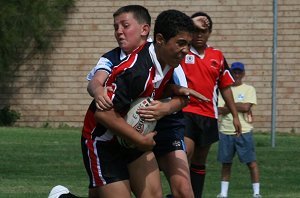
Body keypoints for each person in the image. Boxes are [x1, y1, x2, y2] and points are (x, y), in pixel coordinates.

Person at [82, 8, 197, 198]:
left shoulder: (167, 59)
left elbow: (150, 89)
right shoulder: (135, 70)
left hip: (133, 139)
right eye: (181, 44)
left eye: (188, 44)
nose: (186, 50)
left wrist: (174, 90)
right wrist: (140, 140)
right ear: (160, 40)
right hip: (103, 142)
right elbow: (102, 114)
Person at [178, 11, 242, 198]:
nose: (199, 35)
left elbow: (226, 88)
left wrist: (235, 116)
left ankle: (195, 194)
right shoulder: (182, 51)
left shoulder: (218, 56)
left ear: (209, 33)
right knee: (185, 154)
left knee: (199, 160)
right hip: (185, 111)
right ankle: (181, 193)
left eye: (203, 31)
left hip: (208, 116)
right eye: (195, 30)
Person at [216, 62, 261, 198]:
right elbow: (219, 109)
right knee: (226, 163)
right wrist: (237, 106)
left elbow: (246, 107)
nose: (236, 75)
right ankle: (223, 193)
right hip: (225, 130)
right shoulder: (223, 89)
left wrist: (228, 106)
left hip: (244, 131)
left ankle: (256, 192)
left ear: (243, 74)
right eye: (234, 72)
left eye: (239, 72)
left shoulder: (249, 89)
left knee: (251, 163)